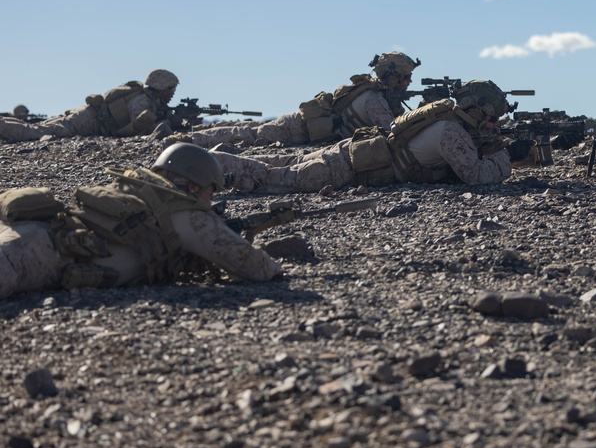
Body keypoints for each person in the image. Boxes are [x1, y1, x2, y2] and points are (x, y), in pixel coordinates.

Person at [0, 143, 281, 299]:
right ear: (195, 186)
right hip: (42, 254)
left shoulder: (139, 188)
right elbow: (253, 266)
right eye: (210, 193)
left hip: (32, 231)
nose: (210, 202)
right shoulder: (186, 212)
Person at [211, 80, 534, 194]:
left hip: (349, 154)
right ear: (477, 111)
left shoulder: (449, 123)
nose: (494, 125)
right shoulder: (450, 131)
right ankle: (203, 167)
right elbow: (477, 177)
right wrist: (506, 156)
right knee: (272, 178)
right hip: (344, 167)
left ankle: (212, 159)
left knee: (279, 163)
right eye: (492, 118)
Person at [176, 52, 421, 149]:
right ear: (392, 76)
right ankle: (192, 138)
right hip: (299, 128)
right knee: (251, 134)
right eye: (406, 77)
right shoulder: (374, 98)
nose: (409, 82)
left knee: (251, 130)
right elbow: (394, 131)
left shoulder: (380, 95)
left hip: (306, 128)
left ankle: (198, 134)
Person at [0, 69, 181, 144]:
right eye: (170, 89)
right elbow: (139, 127)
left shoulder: (145, 97)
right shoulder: (143, 100)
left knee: (38, 128)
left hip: (88, 117)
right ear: (162, 87)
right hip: (88, 120)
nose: (172, 94)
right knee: (37, 133)